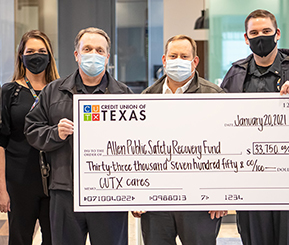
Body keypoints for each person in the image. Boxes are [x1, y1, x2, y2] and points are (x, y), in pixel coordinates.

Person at [220, 9, 289, 245]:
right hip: (249, 176)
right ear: (246, 38)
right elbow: (220, 123)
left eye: (266, 31)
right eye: (254, 33)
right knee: (253, 238)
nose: (261, 37)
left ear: (277, 34)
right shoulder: (236, 74)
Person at [24, 27, 132, 245]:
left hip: (109, 192)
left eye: (99, 50)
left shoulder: (123, 94)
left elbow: (137, 142)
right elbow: (32, 129)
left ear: (107, 57)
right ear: (77, 54)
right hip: (66, 191)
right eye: (88, 49)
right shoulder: (53, 91)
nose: (94, 54)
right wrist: (55, 133)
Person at [133, 34, 227, 245]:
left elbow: (226, 147)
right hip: (156, 201)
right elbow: (137, 150)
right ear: (164, 60)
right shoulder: (147, 98)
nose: (178, 60)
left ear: (195, 61)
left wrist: (223, 193)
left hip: (201, 202)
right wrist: (136, 193)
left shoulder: (215, 96)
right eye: (173, 55)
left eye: (184, 56)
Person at [0, 30, 59, 245]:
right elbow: (1, 142)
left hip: (55, 180)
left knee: (54, 239)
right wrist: (1, 189)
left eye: (42, 51)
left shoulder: (60, 91)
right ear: (21, 56)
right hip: (19, 180)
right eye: (30, 51)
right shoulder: (9, 92)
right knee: (19, 238)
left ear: (50, 55)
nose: (36, 56)